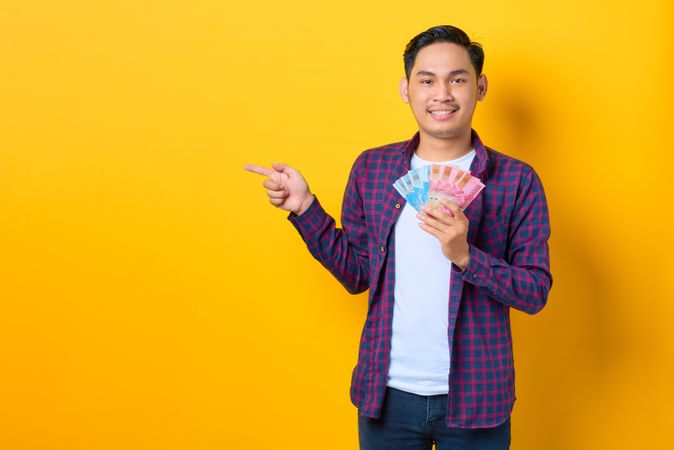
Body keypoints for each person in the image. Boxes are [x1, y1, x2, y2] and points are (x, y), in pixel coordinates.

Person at [245, 25, 551, 450]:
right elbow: (356, 274)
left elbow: (535, 292)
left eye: (457, 79)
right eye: (426, 80)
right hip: (386, 396)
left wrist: (466, 256)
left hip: (478, 396)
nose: (441, 93)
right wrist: (305, 207)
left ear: (479, 87)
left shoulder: (517, 180)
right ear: (406, 89)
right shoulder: (372, 169)